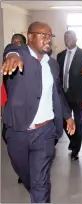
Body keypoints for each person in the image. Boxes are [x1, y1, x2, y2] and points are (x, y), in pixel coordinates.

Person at [1, 21, 75, 203]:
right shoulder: (18, 57)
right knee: (27, 176)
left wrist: (67, 116)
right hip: (18, 130)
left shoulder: (53, 65)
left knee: (40, 183)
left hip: (45, 132)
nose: (48, 39)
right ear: (31, 36)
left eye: (50, 36)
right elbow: (10, 49)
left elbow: (57, 92)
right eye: (44, 35)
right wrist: (11, 54)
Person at [57, 30, 82, 160]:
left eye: (70, 37)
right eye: (65, 37)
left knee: (79, 122)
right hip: (63, 96)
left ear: (76, 39)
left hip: (79, 96)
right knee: (63, 121)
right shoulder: (60, 56)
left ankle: (76, 148)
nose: (67, 39)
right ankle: (73, 140)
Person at [2, 33, 27, 184]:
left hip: (26, 111)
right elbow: (9, 50)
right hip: (10, 108)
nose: (15, 44)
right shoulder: (9, 59)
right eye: (13, 42)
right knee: (6, 136)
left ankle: (26, 171)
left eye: (19, 42)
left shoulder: (28, 62)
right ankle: (23, 166)